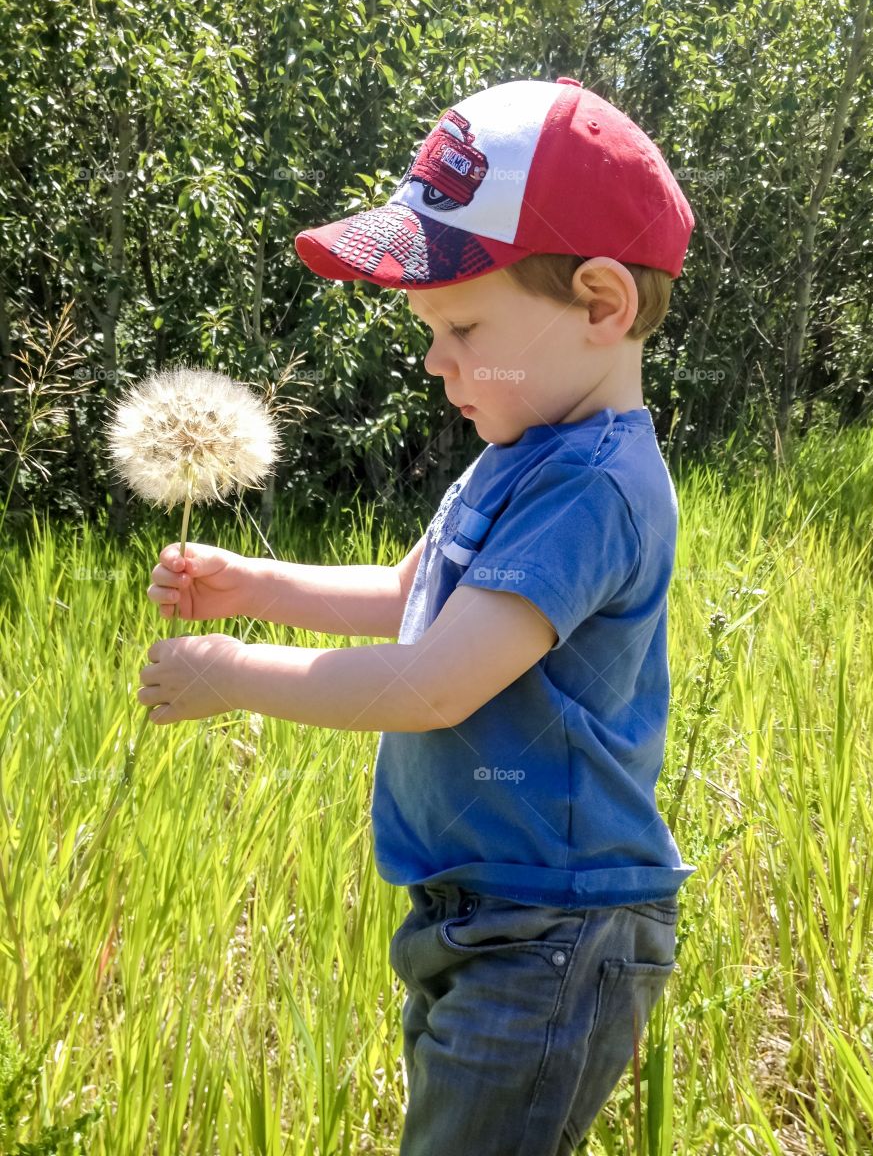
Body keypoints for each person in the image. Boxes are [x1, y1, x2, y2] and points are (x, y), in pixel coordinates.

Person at [144, 77, 697, 1155]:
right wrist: (257, 582)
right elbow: (414, 597)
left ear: (601, 304)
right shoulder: (520, 457)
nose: (437, 360)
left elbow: (436, 681)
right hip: (482, 913)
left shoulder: (597, 483)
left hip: (552, 928)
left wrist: (230, 669)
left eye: (462, 326)